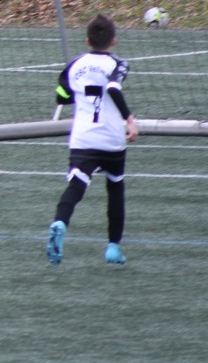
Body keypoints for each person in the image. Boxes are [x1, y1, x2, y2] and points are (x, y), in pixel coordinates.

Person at [46, 14, 139, 266]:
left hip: (83, 137)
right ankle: (113, 248)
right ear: (113, 41)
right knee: (115, 187)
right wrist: (129, 120)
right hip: (111, 138)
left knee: (76, 184)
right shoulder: (118, 64)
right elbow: (112, 88)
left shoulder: (75, 65)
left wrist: (78, 93)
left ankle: (60, 222)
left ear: (87, 40)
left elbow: (61, 95)